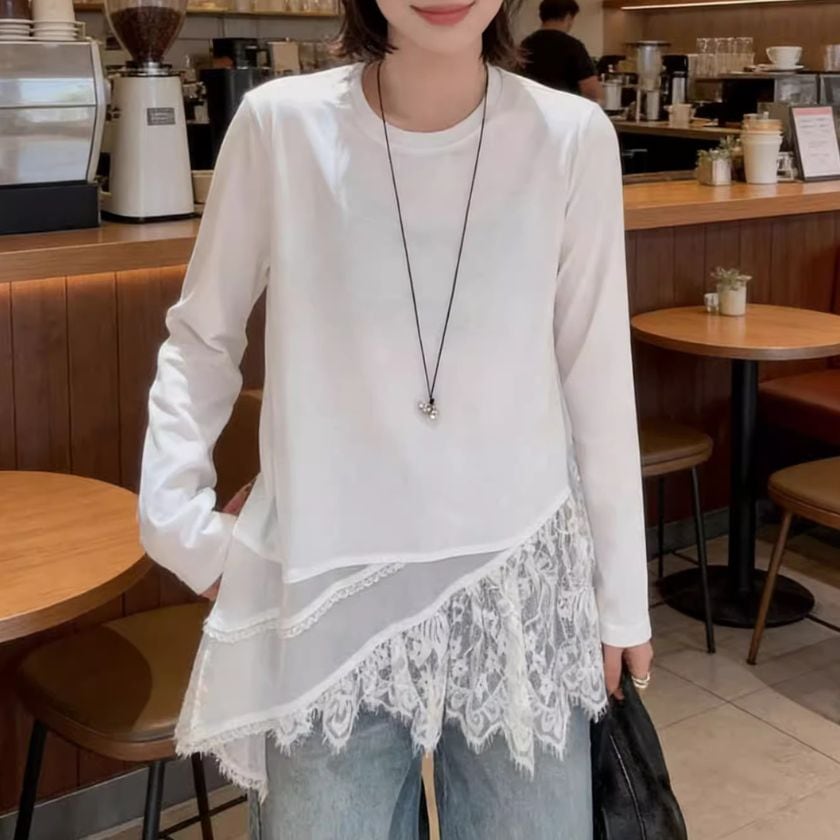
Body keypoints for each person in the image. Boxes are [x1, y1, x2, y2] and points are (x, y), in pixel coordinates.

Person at [138, 0, 653, 836]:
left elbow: (595, 375)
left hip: (516, 591)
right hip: (331, 592)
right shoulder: (281, 127)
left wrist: (622, 596)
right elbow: (202, 336)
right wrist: (177, 527)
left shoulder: (571, 137)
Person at [520, 0, 603, 101]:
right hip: (564, 107)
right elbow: (592, 92)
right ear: (568, 16)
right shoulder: (573, 46)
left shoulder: (525, 44)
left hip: (531, 105)